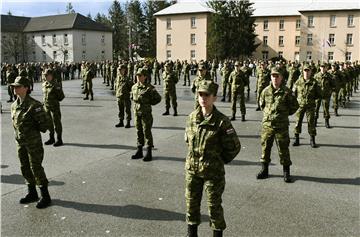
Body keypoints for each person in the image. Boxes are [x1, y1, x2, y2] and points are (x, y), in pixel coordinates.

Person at [185, 80, 241, 237]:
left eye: (206, 95)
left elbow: (234, 147)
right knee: (191, 205)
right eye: (200, 94)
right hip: (192, 170)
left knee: (214, 207)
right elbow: (188, 141)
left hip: (213, 173)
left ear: (214, 98)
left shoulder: (222, 121)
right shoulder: (191, 118)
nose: (202, 98)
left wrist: (218, 160)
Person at [10, 76, 52, 209]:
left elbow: (45, 125)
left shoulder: (35, 105)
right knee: (24, 167)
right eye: (14, 86)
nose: (15, 88)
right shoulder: (14, 105)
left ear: (26, 88)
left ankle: (45, 196)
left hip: (33, 144)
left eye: (18, 86)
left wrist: (33, 129)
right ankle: (32, 193)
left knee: (36, 168)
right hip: (20, 143)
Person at [256, 68, 298, 182]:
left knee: (283, 149)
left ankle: (286, 172)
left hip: (281, 126)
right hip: (267, 125)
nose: (275, 78)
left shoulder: (287, 92)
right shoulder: (265, 91)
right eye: (273, 76)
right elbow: (261, 105)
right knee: (265, 148)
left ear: (282, 77)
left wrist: (283, 115)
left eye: (277, 76)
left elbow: (294, 106)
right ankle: (264, 170)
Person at [131, 68, 162, 162]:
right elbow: (132, 97)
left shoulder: (149, 88)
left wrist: (149, 103)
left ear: (145, 76)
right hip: (136, 112)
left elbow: (158, 98)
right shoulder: (134, 87)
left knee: (146, 131)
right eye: (137, 75)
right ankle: (139, 150)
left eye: (140, 75)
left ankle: (149, 152)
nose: (138, 77)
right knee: (138, 130)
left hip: (146, 113)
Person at [292, 64, 322, 148]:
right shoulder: (298, 82)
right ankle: (296, 139)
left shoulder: (314, 82)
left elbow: (319, 94)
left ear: (311, 72)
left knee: (311, 123)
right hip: (300, 106)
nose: (306, 72)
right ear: (302, 71)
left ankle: (312, 140)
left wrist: (311, 100)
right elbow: (294, 93)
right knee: (298, 122)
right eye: (305, 70)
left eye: (308, 70)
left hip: (310, 106)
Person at [42, 69, 65, 146]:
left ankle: (59, 139)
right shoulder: (44, 84)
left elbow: (61, 97)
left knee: (57, 123)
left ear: (51, 75)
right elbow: (44, 96)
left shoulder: (56, 85)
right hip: (46, 107)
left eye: (47, 75)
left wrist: (54, 100)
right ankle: (51, 138)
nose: (45, 76)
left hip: (54, 107)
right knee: (49, 123)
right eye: (45, 75)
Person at [314, 63, 336, 128]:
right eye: (322, 67)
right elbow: (313, 85)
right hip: (317, 95)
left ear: (326, 68)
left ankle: (327, 122)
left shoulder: (329, 76)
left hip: (326, 95)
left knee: (326, 109)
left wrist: (330, 91)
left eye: (324, 67)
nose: (323, 68)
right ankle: (315, 122)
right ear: (320, 68)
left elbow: (333, 85)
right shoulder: (316, 76)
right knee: (316, 109)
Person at [115, 64, 133, 128]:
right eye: (119, 70)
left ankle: (128, 122)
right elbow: (116, 87)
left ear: (125, 70)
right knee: (120, 110)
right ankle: (121, 121)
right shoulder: (117, 78)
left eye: (121, 69)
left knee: (127, 110)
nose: (120, 71)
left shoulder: (127, 78)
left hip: (126, 97)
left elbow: (132, 87)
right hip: (119, 96)